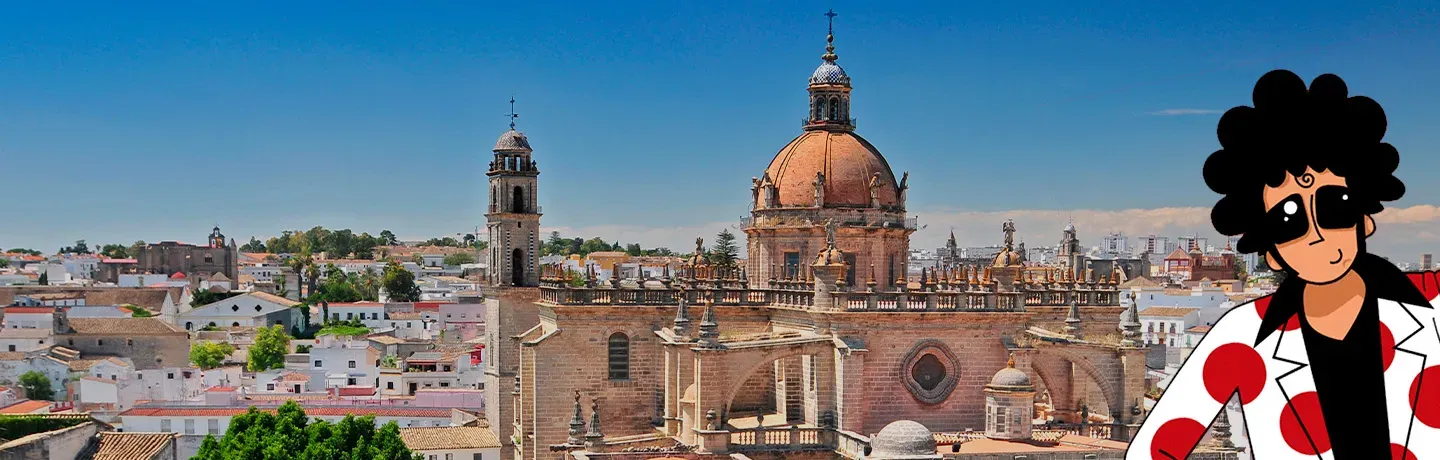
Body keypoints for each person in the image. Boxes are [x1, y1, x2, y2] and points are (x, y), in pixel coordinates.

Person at [1126, 69, 1440, 459]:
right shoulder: (1240, 338)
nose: (1317, 232)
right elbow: (1156, 447)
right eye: (1289, 222)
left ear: (1365, 219)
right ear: (1271, 251)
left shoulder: (1433, 306)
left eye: (1335, 207)